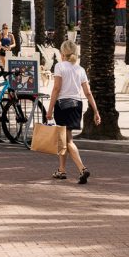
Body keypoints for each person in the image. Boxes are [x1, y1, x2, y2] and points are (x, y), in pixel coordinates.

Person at [47, 39, 100, 184]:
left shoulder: (59, 67)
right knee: (63, 138)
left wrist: (49, 109)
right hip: (77, 104)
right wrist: (96, 111)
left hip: (63, 105)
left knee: (67, 139)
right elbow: (88, 92)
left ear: (62, 52)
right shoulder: (80, 69)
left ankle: (82, 169)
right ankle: (62, 170)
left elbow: (56, 89)